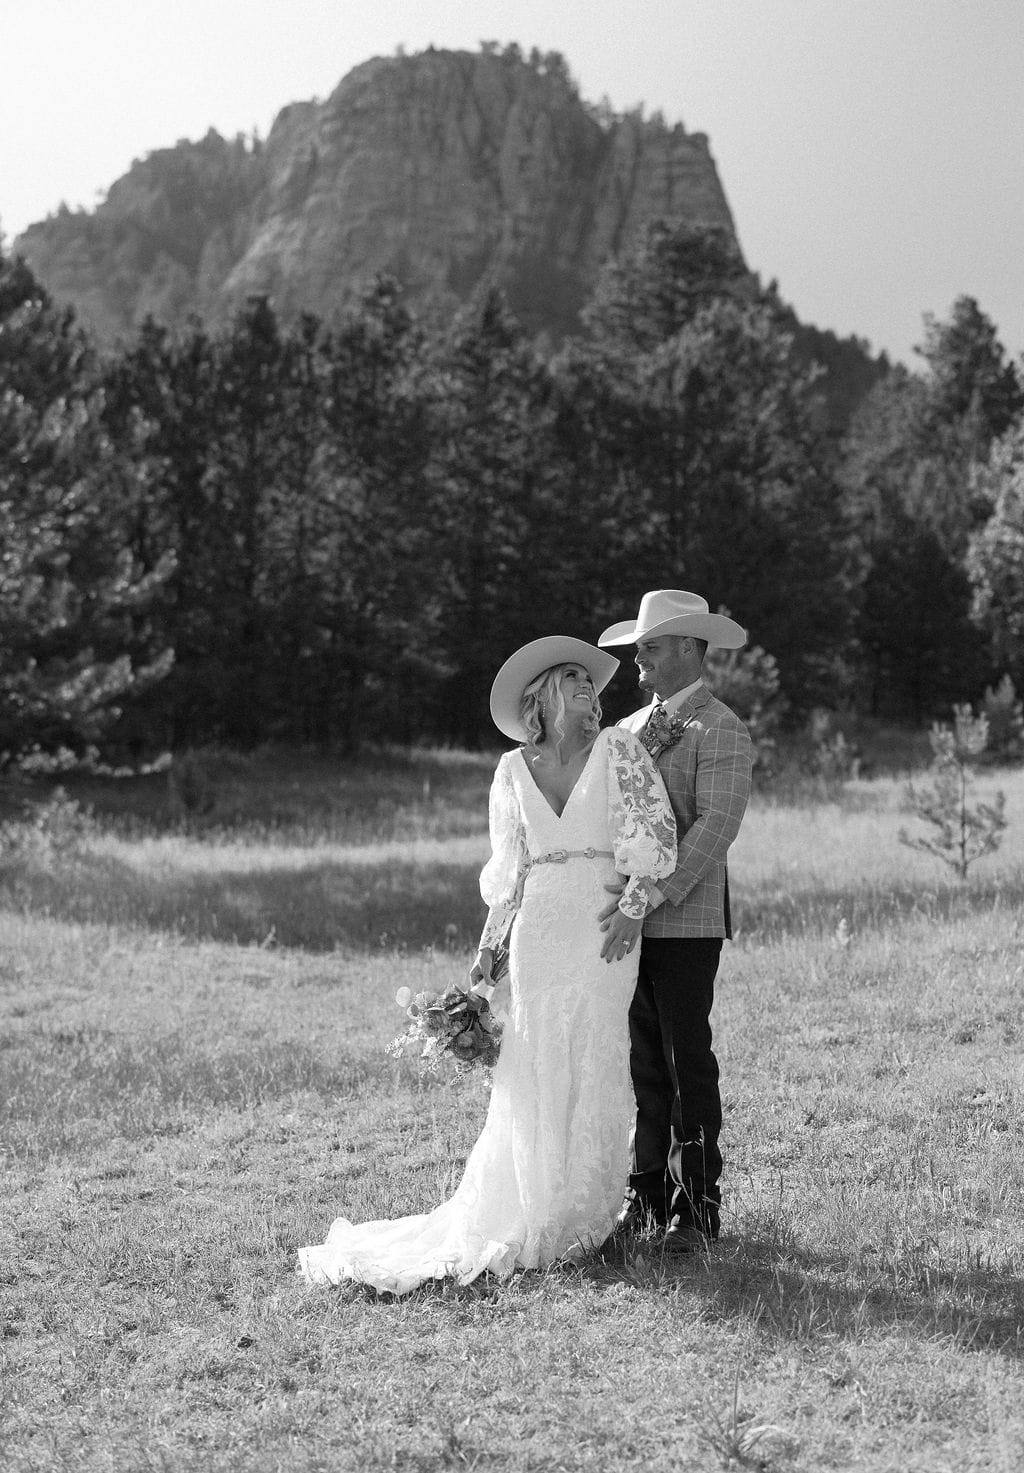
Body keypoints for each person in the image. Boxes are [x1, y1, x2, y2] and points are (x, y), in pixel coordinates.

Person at [298, 635, 677, 1294]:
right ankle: (532, 1205)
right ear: (541, 697)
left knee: (594, 1052)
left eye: (590, 682)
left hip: (602, 924)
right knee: (533, 1059)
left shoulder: (620, 750)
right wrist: (486, 952)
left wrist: (633, 909)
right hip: (539, 933)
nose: (588, 691)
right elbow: (510, 873)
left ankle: (583, 1212)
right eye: (572, 680)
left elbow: (655, 837)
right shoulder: (511, 769)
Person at [597, 589, 753, 1252]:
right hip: (626, 930)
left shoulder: (723, 729)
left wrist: (640, 903)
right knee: (640, 1062)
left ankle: (697, 1206)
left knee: (686, 1058)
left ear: (691, 647)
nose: (640, 660)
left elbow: (713, 828)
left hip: (685, 922)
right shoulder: (629, 730)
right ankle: (644, 1198)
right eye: (638, 649)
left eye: (652, 647)